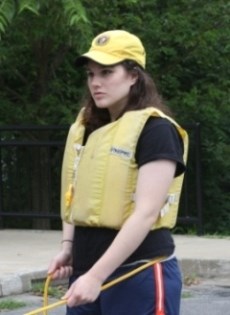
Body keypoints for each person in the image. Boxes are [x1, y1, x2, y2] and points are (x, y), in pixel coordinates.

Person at [48, 29, 188, 315]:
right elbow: (75, 197)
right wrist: (69, 248)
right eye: (90, 74)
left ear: (134, 76)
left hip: (138, 274)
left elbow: (146, 213)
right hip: (86, 275)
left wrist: (96, 276)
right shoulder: (89, 131)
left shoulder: (157, 131)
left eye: (107, 72)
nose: (95, 83)